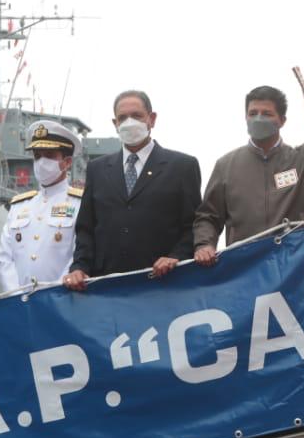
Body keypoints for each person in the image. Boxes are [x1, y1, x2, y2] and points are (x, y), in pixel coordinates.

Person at [63, 90, 201, 289]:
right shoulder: (97, 169)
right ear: (115, 124)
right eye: (122, 118)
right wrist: (79, 266)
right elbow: (86, 228)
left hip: (163, 285)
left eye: (136, 116)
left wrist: (176, 257)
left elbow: (193, 226)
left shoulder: (182, 166)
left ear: (151, 119)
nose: (129, 122)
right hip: (107, 287)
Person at [193, 85, 304, 262]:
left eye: (267, 114)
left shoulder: (302, 158)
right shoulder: (226, 165)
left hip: (297, 263)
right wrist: (204, 244)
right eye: (253, 113)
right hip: (246, 267)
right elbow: (209, 216)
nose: (258, 118)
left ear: (282, 120)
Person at [0, 120, 85, 291]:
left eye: (50, 155)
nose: (41, 162)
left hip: (62, 301)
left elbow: (79, 256)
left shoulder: (80, 204)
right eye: (37, 156)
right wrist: (16, 294)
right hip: (20, 303)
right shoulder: (19, 206)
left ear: (67, 162)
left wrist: (55, 294)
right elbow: (4, 258)